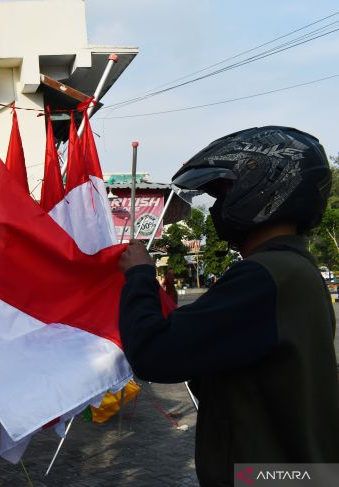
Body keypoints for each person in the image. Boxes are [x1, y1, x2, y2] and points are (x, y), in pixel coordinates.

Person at [118, 126, 339, 486]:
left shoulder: (266, 276)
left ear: (266, 188)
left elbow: (152, 352)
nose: (218, 210)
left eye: (222, 194)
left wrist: (139, 275)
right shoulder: (295, 270)